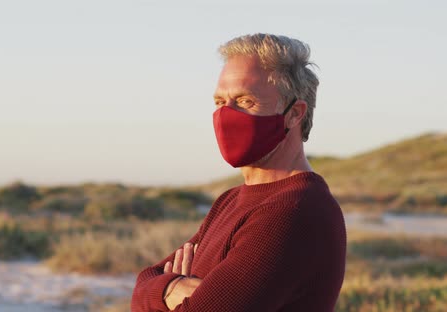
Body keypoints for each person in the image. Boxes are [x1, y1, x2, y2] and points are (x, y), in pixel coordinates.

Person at [131, 33, 346, 312]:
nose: (226, 115)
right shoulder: (230, 201)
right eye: (220, 102)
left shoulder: (295, 211)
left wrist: (163, 295)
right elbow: (141, 287)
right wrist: (171, 288)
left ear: (294, 114)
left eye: (245, 101)